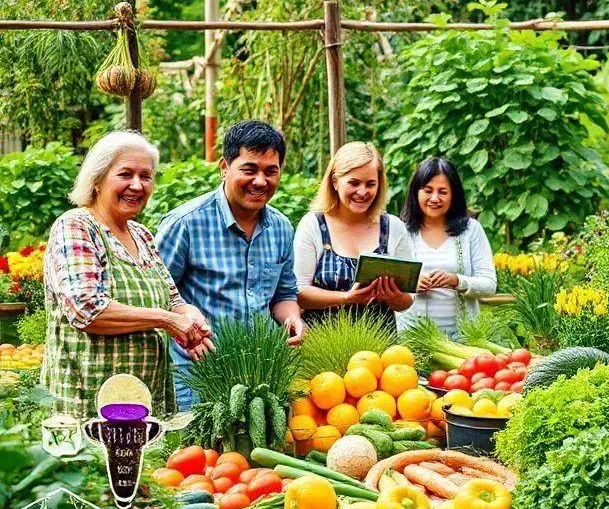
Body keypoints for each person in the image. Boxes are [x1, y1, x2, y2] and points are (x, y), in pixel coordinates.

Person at [43, 131, 210, 416]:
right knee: (94, 462)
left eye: (146, 176)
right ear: (97, 180)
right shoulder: (77, 227)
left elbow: (172, 298)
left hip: (145, 401)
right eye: (125, 174)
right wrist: (167, 320)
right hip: (88, 402)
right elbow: (87, 310)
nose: (137, 185)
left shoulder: (141, 235)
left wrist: (189, 315)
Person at [155, 120, 305, 409]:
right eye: (249, 169)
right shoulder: (186, 224)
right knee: (195, 454)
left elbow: (284, 294)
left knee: (253, 454)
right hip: (195, 376)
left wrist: (292, 319)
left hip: (258, 377)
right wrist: (184, 326)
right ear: (225, 167)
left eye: (270, 171)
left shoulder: (281, 228)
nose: (260, 181)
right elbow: (156, 294)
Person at [294, 141, 413, 325]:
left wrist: (394, 297)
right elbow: (299, 293)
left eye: (370, 184)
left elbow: (406, 301)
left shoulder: (393, 227)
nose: (362, 192)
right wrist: (347, 298)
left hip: (381, 348)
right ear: (335, 181)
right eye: (354, 183)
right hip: (323, 345)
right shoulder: (313, 225)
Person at [395, 157, 496, 337]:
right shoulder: (400, 230)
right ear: (416, 192)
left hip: (463, 339)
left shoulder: (471, 230)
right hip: (412, 338)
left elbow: (489, 284)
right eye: (428, 191)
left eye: (443, 192)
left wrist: (457, 281)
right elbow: (388, 280)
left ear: (453, 195)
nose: (435, 198)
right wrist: (412, 283)